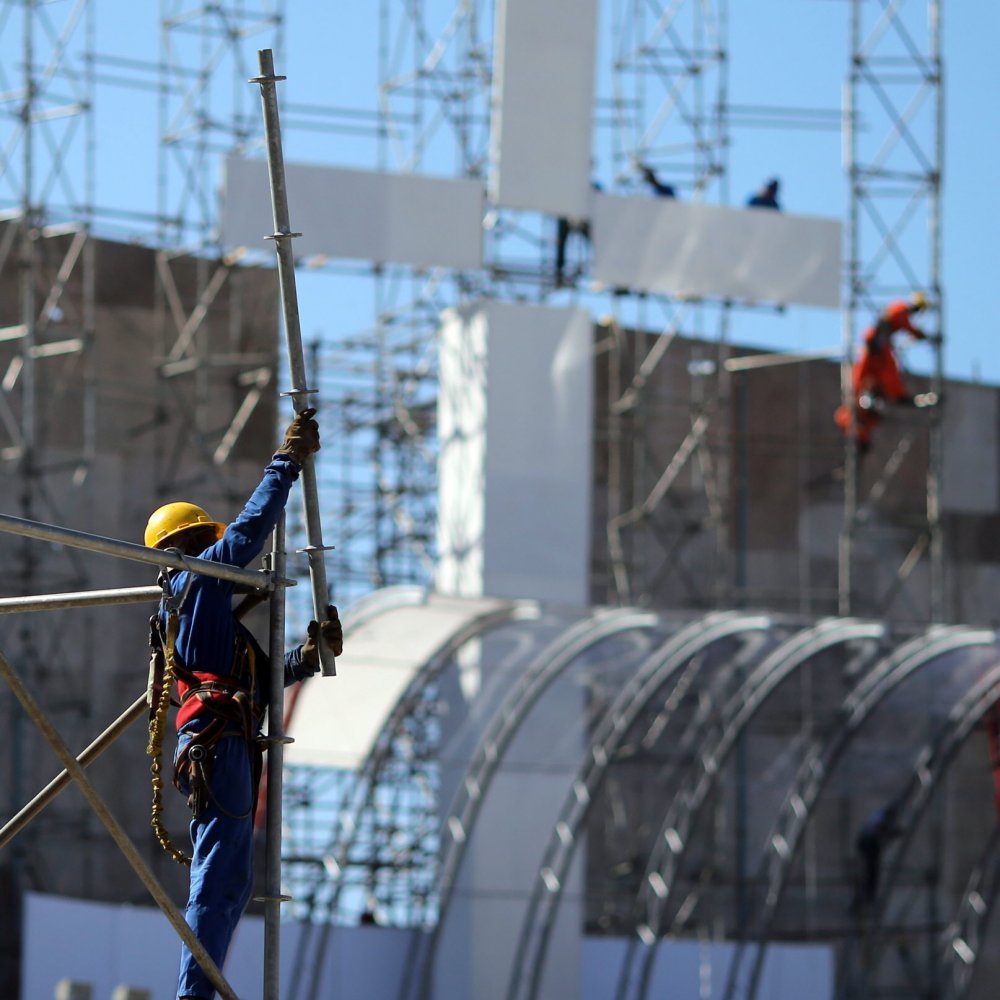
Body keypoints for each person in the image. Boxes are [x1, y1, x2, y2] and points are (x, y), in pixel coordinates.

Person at [143, 407, 344, 1000]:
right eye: (210, 543)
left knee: (230, 880)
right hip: (218, 746)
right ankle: (194, 995)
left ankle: (200, 989)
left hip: (226, 743)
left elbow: (254, 682)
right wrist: (284, 464)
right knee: (218, 878)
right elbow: (249, 535)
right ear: (193, 547)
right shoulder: (197, 581)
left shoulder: (208, 620)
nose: (222, 553)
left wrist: (308, 656)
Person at [834, 293, 941, 452]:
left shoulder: (878, 360)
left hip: (877, 349)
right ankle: (900, 397)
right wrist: (923, 336)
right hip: (877, 347)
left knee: (881, 379)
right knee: (883, 378)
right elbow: (908, 327)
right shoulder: (900, 310)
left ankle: (900, 398)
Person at [853, 804, 903, 911]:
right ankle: (864, 900)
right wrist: (891, 834)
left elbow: (882, 833)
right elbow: (879, 831)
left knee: (871, 875)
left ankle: (868, 899)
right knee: (868, 875)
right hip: (868, 847)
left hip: (870, 848)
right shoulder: (879, 818)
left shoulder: (880, 818)